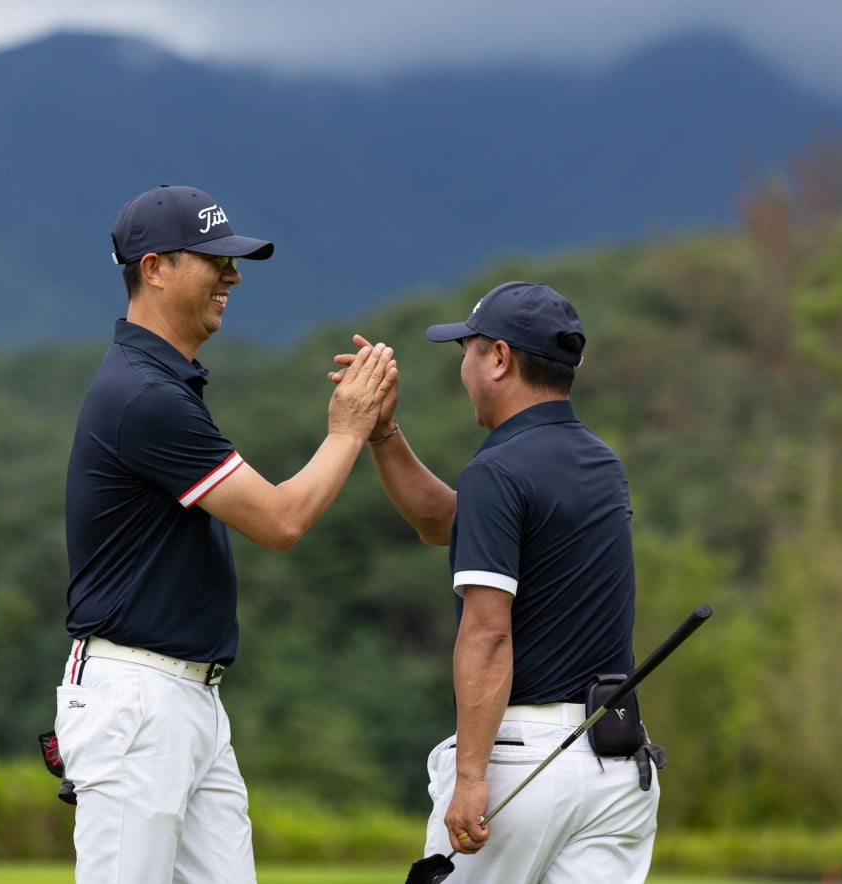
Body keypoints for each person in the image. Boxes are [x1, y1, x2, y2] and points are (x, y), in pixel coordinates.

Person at [56, 184, 396, 884]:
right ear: (155, 269)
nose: (233, 276)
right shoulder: (145, 395)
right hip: (137, 697)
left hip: (186, 697)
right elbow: (281, 520)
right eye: (215, 260)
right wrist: (349, 428)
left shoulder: (159, 383)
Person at [335, 281, 659, 882]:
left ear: (500, 359)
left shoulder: (498, 470)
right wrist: (383, 431)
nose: (464, 367)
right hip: (616, 765)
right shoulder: (599, 462)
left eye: (468, 351)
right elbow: (445, 524)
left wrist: (470, 777)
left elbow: (487, 634)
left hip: (520, 763)